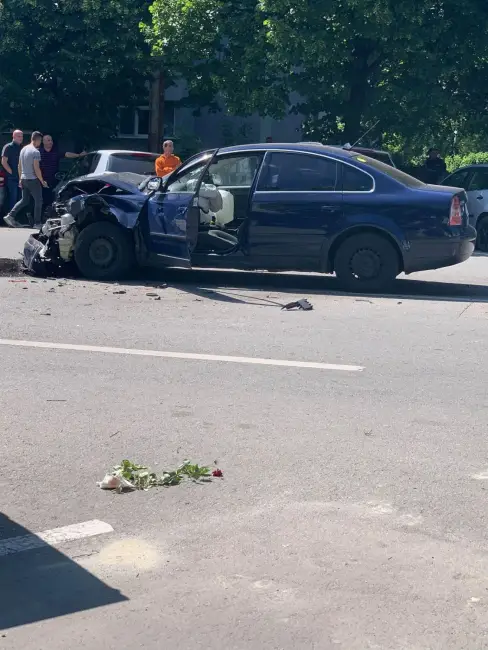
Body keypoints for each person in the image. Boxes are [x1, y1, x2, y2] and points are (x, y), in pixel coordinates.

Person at [3, 131, 47, 229]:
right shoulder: (36, 152)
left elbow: (19, 165)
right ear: (38, 140)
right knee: (39, 201)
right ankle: (37, 223)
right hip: (33, 179)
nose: (40, 144)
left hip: (23, 178)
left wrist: (20, 179)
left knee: (24, 200)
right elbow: (36, 168)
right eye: (40, 141)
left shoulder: (23, 149)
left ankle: (10, 216)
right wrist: (42, 180)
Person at [40, 134, 86, 211]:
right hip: (41, 181)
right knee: (40, 200)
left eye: (51, 140)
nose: (51, 142)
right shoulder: (38, 152)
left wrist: (78, 155)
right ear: (43, 142)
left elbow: (66, 154)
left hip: (53, 181)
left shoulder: (55, 152)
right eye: (48, 140)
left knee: (52, 199)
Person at [1, 129, 23, 212]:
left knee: (21, 199)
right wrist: (12, 172)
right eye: (18, 136)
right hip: (11, 178)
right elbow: (4, 162)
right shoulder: (8, 147)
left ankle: (18, 218)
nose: (20, 138)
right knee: (12, 199)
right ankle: (10, 219)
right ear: (13, 136)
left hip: (21, 177)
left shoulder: (22, 147)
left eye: (21, 136)